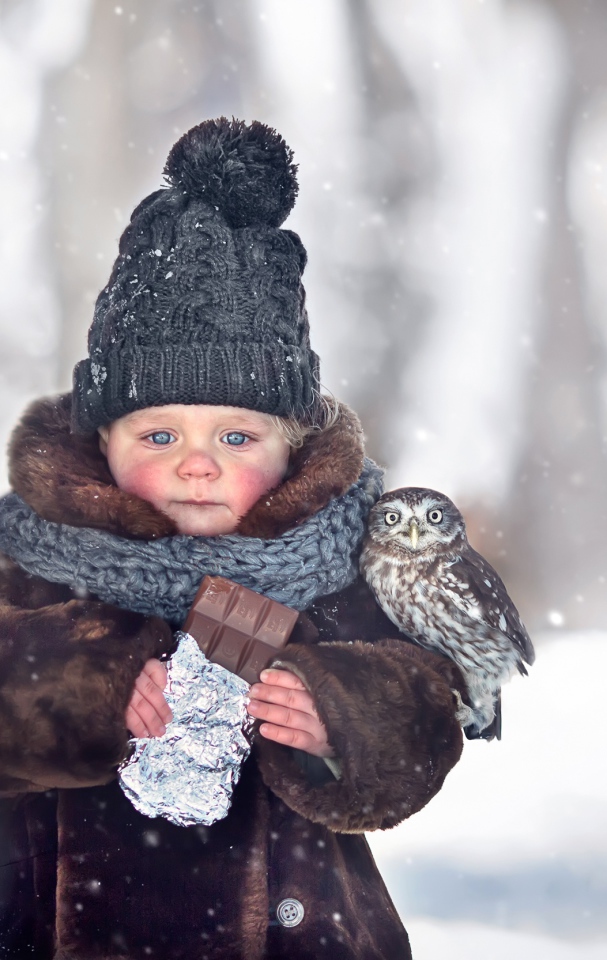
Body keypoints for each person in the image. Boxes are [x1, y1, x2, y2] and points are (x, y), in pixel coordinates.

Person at [0, 118, 465, 960]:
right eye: (160, 437)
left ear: (290, 448)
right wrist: (78, 688)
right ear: (101, 442)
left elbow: (428, 706)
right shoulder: (31, 555)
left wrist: (342, 716)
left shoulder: (343, 560)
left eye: (236, 439)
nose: (198, 467)